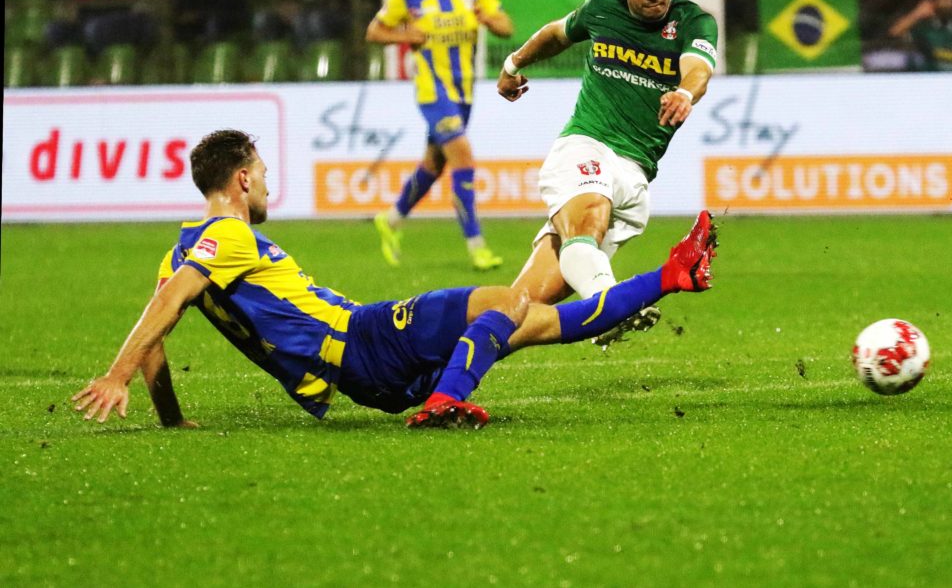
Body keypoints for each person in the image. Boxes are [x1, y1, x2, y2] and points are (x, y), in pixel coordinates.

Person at [70, 130, 718, 429]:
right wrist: (116, 373)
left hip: (363, 378)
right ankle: (446, 401)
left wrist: (171, 421)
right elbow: (167, 308)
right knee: (507, 300)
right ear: (241, 179)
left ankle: (671, 273)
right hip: (360, 338)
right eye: (262, 173)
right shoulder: (228, 235)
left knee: (535, 319)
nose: (266, 183)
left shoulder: (178, 253)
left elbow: (160, 324)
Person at [496, 0, 718, 348]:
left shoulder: (693, 21)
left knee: (521, 308)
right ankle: (611, 307)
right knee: (590, 216)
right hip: (586, 144)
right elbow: (556, 34)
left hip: (634, 176)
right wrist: (513, 63)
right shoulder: (601, 10)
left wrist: (685, 92)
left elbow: (698, 68)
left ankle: (444, 372)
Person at [366, 0, 514, 271]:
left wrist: (490, 19)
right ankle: (477, 246)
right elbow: (374, 31)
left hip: (464, 92)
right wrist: (405, 36)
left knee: (434, 165)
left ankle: (391, 219)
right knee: (463, 159)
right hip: (432, 92)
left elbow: (507, 26)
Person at [888, 0, 952, 72]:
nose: (948, 1)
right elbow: (894, 33)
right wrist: (917, 14)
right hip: (931, 78)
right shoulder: (923, 28)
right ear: (933, 1)